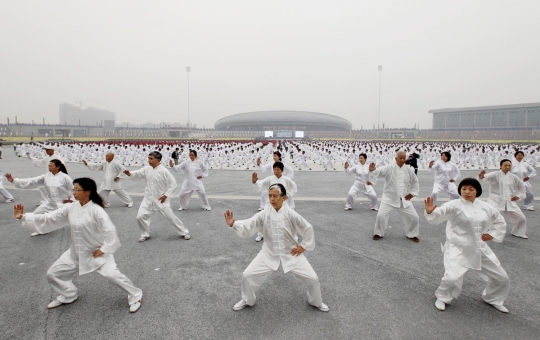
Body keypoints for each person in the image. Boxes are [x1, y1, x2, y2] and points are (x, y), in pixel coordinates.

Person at [12, 178, 143, 313]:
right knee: (52, 274)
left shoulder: (97, 210)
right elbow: (49, 218)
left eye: (77, 190)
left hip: (95, 253)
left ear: (87, 192)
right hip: (75, 253)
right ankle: (69, 294)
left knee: (112, 275)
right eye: (73, 189)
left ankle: (135, 295)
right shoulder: (71, 207)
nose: (74, 192)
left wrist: (103, 250)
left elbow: (110, 231)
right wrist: (23, 217)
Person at [224, 183, 329, 312]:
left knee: (313, 278)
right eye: (270, 196)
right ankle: (247, 299)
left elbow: (307, 228)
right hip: (269, 253)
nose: (272, 199)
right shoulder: (265, 213)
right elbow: (251, 223)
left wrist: (303, 246)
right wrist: (234, 224)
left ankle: (316, 301)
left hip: (291, 253)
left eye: (275, 196)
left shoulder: (291, 214)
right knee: (247, 275)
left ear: (284, 198)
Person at [424, 178, 510, 313]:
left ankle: (493, 298)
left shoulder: (486, 207)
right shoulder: (454, 205)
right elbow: (438, 214)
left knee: (502, 278)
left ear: (477, 191)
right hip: (458, 248)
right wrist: (430, 212)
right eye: (464, 189)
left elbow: (500, 221)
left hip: (479, 248)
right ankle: (443, 297)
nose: (467, 192)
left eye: (471, 189)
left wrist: (492, 234)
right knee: (452, 278)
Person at [123, 151, 191, 242]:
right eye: (148, 158)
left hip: (160, 199)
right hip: (148, 199)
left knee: (171, 217)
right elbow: (137, 173)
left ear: (158, 160)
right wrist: (129, 173)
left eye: (151, 159)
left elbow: (173, 184)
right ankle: (145, 234)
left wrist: (166, 195)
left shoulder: (164, 171)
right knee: (140, 217)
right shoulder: (147, 169)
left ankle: (184, 232)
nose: (149, 160)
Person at [6, 159, 73, 237]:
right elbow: (32, 181)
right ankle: (41, 230)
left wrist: (72, 199)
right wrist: (14, 181)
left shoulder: (65, 177)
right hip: (50, 202)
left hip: (63, 203)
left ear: (58, 167)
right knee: (35, 215)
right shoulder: (46, 176)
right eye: (48, 166)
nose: (49, 168)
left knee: (71, 218)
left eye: (51, 166)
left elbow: (74, 189)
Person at [369, 151, 420, 242]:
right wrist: (372, 170)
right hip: (389, 198)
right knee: (380, 216)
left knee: (414, 217)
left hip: (403, 199)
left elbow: (415, 181)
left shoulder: (409, 170)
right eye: (400, 158)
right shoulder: (389, 167)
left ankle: (412, 234)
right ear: (396, 159)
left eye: (404, 158)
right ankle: (378, 233)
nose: (402, 160)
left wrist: (412, 193)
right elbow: (379, 172)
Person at [479, 159, 528, 239]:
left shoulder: (513, 177)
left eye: (509, 165)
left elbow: (521, 186)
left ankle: (518, 232)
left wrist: (518, 196)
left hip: (509, 201)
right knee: (489, 216)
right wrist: (481, 176)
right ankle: (482, 232)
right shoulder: (495, 174)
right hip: (495, 200)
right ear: (500, 166)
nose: (507, 167)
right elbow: (484, 178)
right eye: (505, 165)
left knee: (522, 218)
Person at [252, 161, 297, 242]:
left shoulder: (286, 179)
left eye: (278, 169)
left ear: (282, 170)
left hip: (282, 204)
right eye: (275, 169)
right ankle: (260, 234)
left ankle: (289, 235)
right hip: (270, 203)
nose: (276, 171)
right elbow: (261, 184)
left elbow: (294, 186)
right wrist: (255, 182)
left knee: (287, 219)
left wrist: (289, 195)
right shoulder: (270, 179)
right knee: (264, 218)